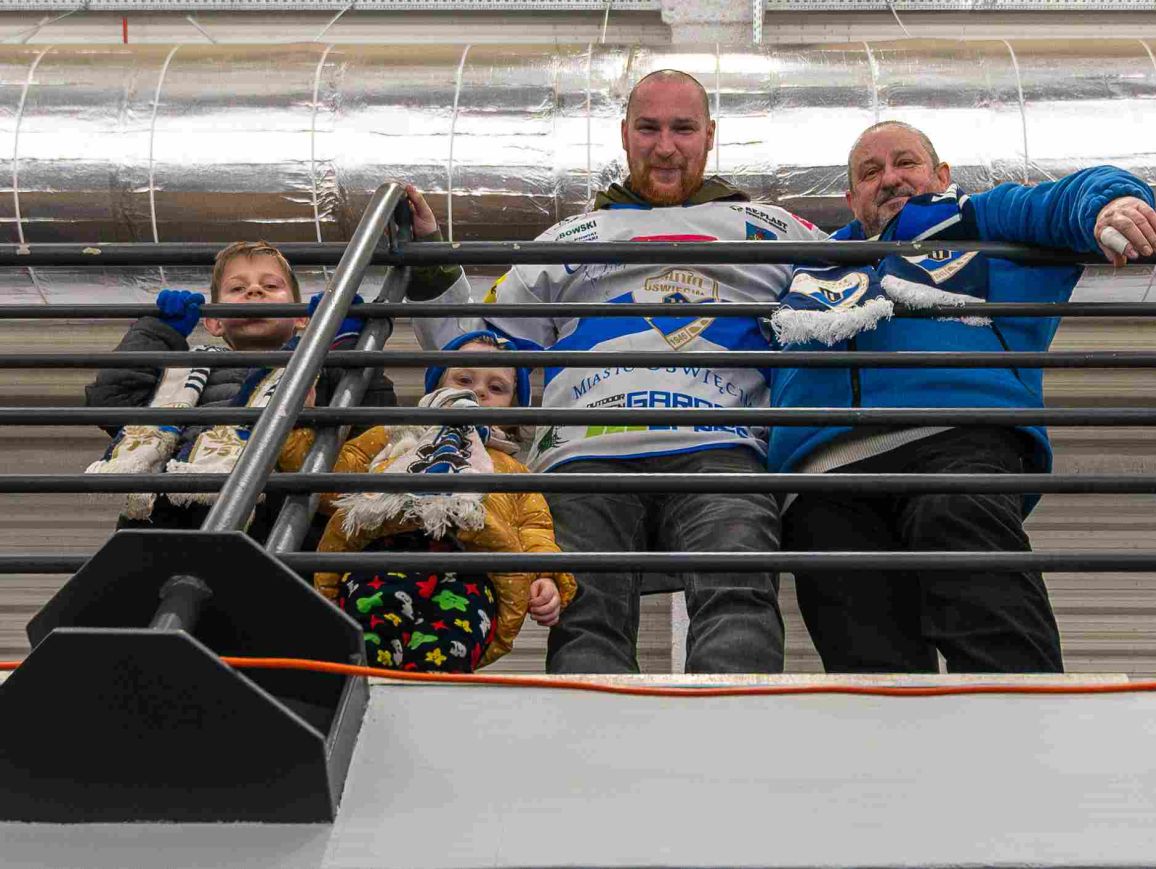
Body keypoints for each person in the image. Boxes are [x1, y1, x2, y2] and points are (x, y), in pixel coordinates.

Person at [405, 69, 827, 674]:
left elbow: (854, 294)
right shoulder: (568, 237)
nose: (665, 146)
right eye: (648, 128)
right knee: (586, 617)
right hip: (584, 456)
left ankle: (733, 725)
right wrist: (427, 254)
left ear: (710, 136)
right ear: (624, 134)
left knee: (738, 594)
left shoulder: (776, 228)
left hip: (723, 447)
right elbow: (472, 349)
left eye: (683, 129)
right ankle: (595, 732)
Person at [768, 120, 1156, 674]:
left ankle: (1027, 721)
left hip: (954, 439)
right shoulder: (809, 265)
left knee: (991, 618)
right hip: (823, 478)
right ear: (851, 198)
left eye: (906, 162)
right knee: (868, 673)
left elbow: (1066, 197)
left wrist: (1113, 204)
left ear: (941, 175)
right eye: (870, 172)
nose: (890, 178)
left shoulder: (977, 219)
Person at [283, 333, 576, 672]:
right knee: (371, 639)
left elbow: (535, 528)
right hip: (383, 553)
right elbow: (330, 478)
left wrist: (545, 575)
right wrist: (300, 420)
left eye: (497, 388)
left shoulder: (513, 470)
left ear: (511, 414)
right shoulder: (394, 436)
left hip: (475, 573)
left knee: (447, 652)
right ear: (435, 387)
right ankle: (360, 692)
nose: (479, 392)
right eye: (464, 380)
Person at [84, 240, 397, 544]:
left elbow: (369, 421)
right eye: (237, 289)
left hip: (280, 526)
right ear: (214, 322)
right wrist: (158, 332)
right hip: (172, 522)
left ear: (302, 318)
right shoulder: (181, 372)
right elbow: (111, 401)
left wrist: (346, 343)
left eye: (271, 286)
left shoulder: (322, 370)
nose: (254, 291)